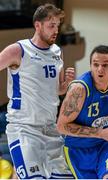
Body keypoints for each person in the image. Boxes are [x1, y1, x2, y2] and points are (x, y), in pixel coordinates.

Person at [0, 3, 75, 179]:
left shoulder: (57, 51)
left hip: (50, 128)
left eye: (57, 25)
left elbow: (57, 90)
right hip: (24, 128)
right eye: (51, 25)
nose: (56, 30)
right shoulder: (18, 49)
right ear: (38, 25)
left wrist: (66, 84)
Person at [57, 45, 108, 179]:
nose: (100, 69)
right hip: (79, 149)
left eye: (105, 65)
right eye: (95, 64)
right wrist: (100, 133)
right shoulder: (79, 89)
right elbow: (61, 126)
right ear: (90, 66)